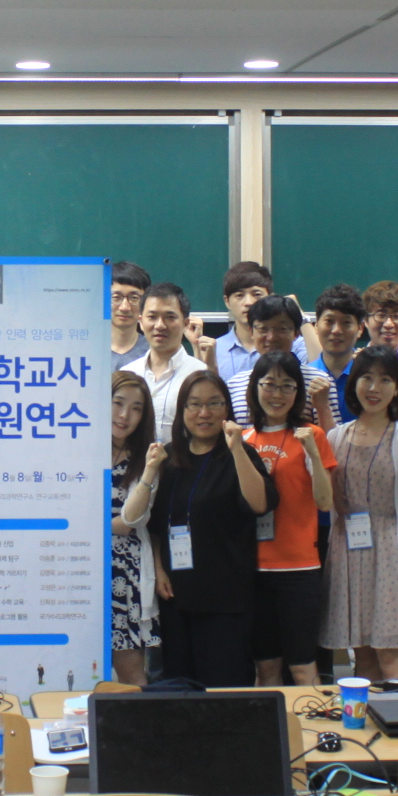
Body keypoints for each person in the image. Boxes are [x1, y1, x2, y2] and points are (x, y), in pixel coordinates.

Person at [147, 372, 275, 688]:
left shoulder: (240, 453)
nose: (204, 413)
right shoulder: (168, 457)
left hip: (226, 597)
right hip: (176, 594)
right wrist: (159, 570)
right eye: (195, 405)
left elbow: (259, 504)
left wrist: (236, 449)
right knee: (178, 687)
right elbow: (155, 526)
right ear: (182, 411)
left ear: (226, 409)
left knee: (224, 688)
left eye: (214, 404)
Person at [318, 345, 398, 686]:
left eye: (385, 379)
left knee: (392, 655)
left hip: (392, 552)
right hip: (347, 551)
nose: (374, 387)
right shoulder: (338, 435)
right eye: (366, 377)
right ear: (353, 384)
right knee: (362, 656)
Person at [244, 352, 336, 686]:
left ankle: (311, 733)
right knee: (266, 666)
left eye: (287, 386)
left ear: (298, 393)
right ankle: (273, 735)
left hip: (299, 569)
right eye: (269, 384)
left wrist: (311, 450)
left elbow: (325, 503)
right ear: (255, 388)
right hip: (254, 569)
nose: (277, 394)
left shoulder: (312, 435)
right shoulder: (242, 440)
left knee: (302, 666)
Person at [106, 370, 164, 686]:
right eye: (117, 403)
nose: (125, 415)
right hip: (74, 565)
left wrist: (150, 470)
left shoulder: (147, 458)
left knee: (130, 672)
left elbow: (130, 521)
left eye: (137, 408)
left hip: (125, 574)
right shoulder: (77, 451)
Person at [225, 296, 334, 428]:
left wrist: (323, 408)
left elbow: (332, 441)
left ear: (296, 333)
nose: (271, 337)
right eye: (263, 329)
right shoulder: (234, 385)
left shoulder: (319, 382)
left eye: (281, 329)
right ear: (251, 332)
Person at [133, 282, 208, 442]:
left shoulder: (200, 374)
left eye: (170, 317)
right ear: (140, 321)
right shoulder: (130, 373)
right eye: (152, 317)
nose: (160, 325)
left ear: (185, 323)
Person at [308, 285, 368, 425]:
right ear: (316, 325)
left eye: (346, 323)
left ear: (360, 329)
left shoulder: (369, 376)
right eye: (329, 321)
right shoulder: (305, 377)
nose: (336, 330)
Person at [213, 261, 276, 382]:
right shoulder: (214, 350)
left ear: (270, 298)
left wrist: (301, 318)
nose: (249, 302)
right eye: (239, 295)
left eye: (257, 294)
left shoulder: (288, 343)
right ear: (227, 302)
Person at [359, 281, 398, 382]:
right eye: (381, 316)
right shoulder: (355, 360)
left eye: (397, 316)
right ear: (366, 320)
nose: (389, 324)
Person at [109, 261, 152, 369]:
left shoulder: (154, 351)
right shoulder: (86, 351)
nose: (125, 307)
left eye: (134, 298)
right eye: (116, 297)